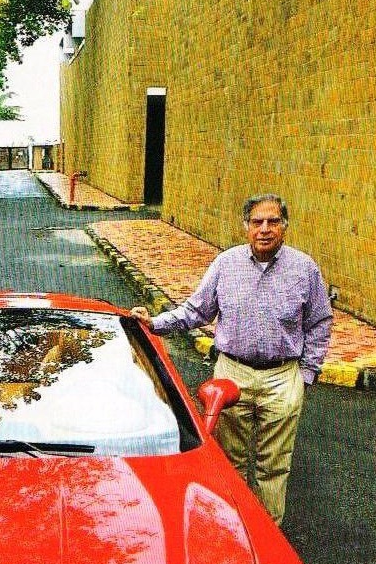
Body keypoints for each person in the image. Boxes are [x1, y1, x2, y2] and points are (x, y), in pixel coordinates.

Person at [130, 194, 333, 524]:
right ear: (246, 227)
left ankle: (268, 538)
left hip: (282, 377)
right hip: (231, 375)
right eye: (257, 222)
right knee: (229, 461)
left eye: (273, 222)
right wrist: (155, 323)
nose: (264, 229)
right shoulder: (226, 265)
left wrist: (306, 373)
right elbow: (197, 311)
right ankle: (233, 530)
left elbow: (320, 322)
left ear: (285, 226)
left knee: (274, 466)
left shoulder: (304, 269)